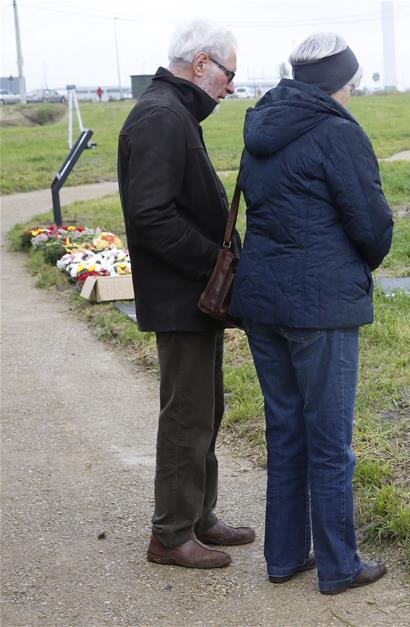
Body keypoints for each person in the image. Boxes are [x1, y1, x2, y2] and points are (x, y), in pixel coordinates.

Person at [229, 32, 393, 594]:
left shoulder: (259, 126)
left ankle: (283, 556)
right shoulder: (338, 133)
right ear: (335, 85)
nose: (352, 95)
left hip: (262, 302)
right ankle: (339, 566)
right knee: (329, 441)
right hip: (320, 307)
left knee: (286, 431)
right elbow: (372, 227)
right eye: (351, 85)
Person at [117, 19, 254, 570]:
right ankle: (170, 535)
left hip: (193, 296)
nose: (229, 88)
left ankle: (198, 516)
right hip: (181, 294)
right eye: (228, 75)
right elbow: (149, 214)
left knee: (207, 408)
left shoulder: (173, 112)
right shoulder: (160, 116)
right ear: (200, 65)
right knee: (186, 415)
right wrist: (214, 261)